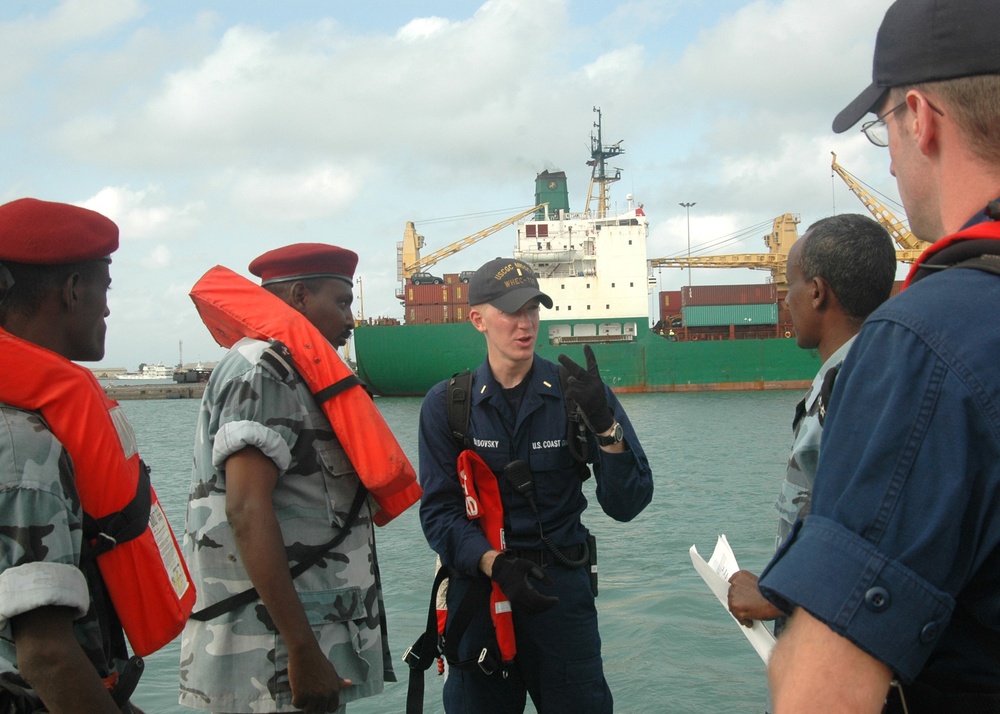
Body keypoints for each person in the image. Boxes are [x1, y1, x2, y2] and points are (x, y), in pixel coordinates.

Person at [757, 0, 1000, 711]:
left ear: (919, 118)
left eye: (882, 128)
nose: (889, 159)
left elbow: (820, 695)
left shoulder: (922, 341)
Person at [417, 257, 653, 713]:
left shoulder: (579, 394)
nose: (525, 324)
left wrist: (606, 428)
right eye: (510, 311)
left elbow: (628, 504)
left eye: (533, 309)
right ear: (477, 319)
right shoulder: (447, 406)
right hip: (480, 595)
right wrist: (494, 564)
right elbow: (439, 515)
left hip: (560, 597)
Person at [179, 244, 394, 713]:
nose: (351, 320)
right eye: (341, 302)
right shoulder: (264, 371)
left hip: (297, 647)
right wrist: (300, 649)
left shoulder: (296, 373)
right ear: (298, 295)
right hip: (272, 660)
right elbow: (246, 509)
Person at [0, 198, 145, 713]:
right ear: (73, 290)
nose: (107, 308)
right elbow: (47, 656)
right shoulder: (25, 445)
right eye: (104, 288)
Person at [726, 214, 896, 633]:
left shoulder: (851, 394)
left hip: (828, 651)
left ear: (817, 292)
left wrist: (778, 594)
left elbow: (864, 536)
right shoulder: (888, 375)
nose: (784, 299)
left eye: (790, 285)